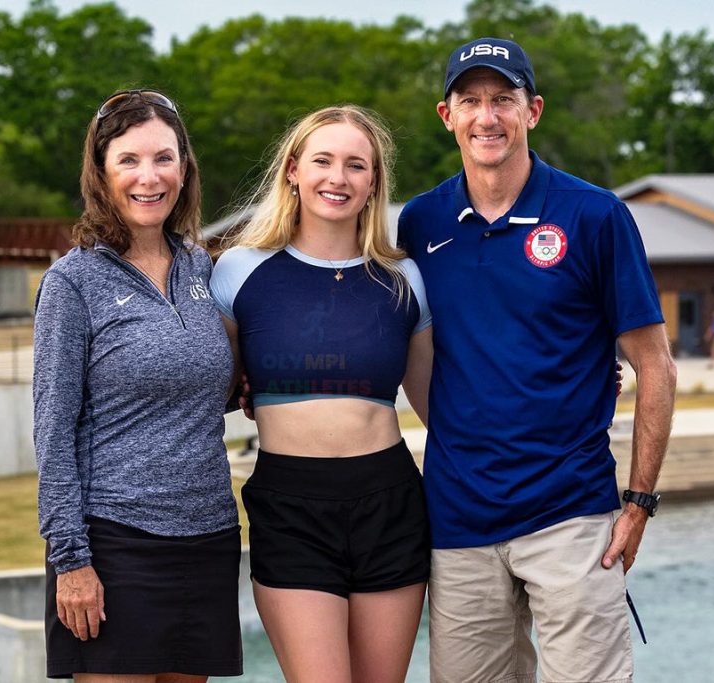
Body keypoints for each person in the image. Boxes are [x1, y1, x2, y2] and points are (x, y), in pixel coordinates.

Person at [397, 38, 677, 683]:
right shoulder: (421, 222)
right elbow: (408, 347)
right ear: (447, 116)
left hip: (571, 511)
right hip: (458, 517)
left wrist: (638, 502)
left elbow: (655, 365)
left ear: (534, 111)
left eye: (504, 100)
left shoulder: (596, 215)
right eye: (470, 101)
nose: (486, 117)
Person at [210, 105, 434, 683]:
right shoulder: (239, 270)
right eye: (323, 161)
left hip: (391, 504)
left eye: (356, 165)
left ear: (374, 183)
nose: (339, 177)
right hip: (290, 507)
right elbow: (211, 382)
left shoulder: (403, 279)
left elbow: (442, 405)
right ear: (292, 170)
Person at [33, 89, 242, 681]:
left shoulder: (202, 267)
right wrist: (71, 561)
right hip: (115, 544)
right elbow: (52, 434)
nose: (149, 177)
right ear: (101, 172)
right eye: (129, 160)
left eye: (164, 158)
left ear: (185, 168)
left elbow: (210, 388)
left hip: (208, 536)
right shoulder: (73, 283)